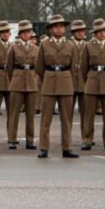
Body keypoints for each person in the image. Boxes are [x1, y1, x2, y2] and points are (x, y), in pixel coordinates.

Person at [36, 14, 79, 158]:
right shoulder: (45, 44)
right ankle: (43, 147)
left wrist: (66, 77)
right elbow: (39, 67)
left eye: (61, 26)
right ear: (51, 29)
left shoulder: (70, 45)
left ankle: (67, 148)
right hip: (49, 81)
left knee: (66, 118)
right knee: (46, 118)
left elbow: (73, 67)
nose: (59, 29)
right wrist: (48, 76)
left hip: (66, 81)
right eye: (56, 26)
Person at [79, 18, 105, 151]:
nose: (102, 33)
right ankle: (87, 139)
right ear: (94, 33)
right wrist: (89, 78)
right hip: (92, 79)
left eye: (104, 30)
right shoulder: (88, 46)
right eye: (99, 31)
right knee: (89, 114)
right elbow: (83, 68)